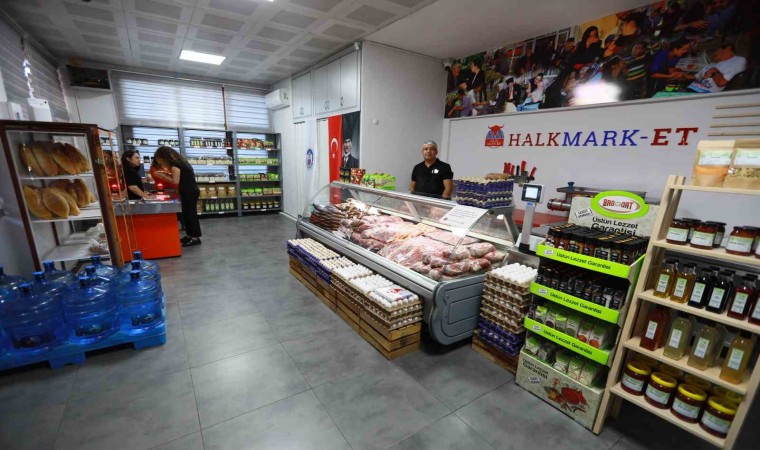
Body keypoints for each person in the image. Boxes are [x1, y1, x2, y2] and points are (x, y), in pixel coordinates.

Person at [152, 146, 202, 246]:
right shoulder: (181, 162)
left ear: (163, 157)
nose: (159, 162)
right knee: (187, 214)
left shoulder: (175, 165)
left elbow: (175, 181)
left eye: (159, 159)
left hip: (188, 192)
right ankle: (190, 235)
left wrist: (162, 176)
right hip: (190, 190)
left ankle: (195, 238)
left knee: (190, 215)